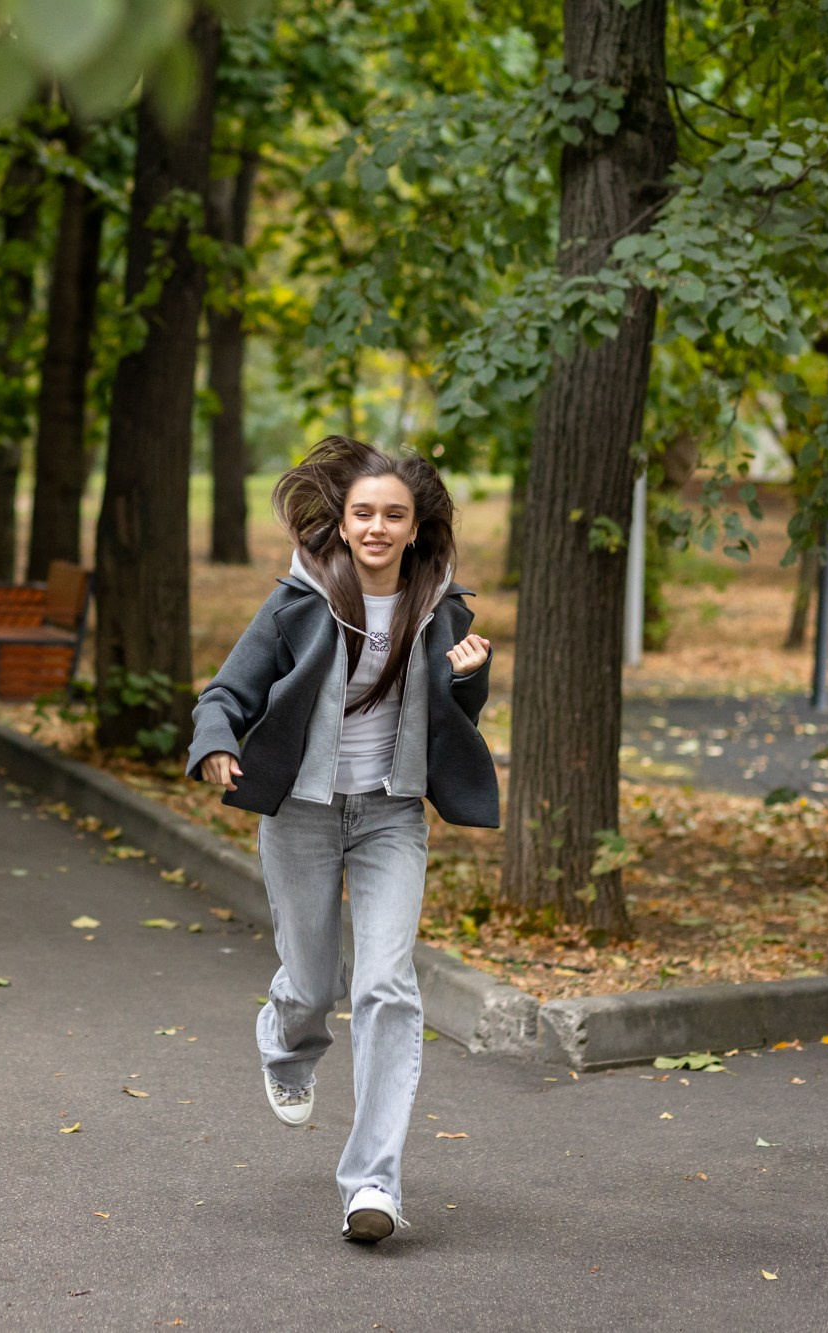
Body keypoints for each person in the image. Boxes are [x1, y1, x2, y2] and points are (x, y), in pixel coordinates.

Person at [187, 435, 498, 1244]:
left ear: (416, 527)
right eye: (363, 512)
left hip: (391, 814)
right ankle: (286, 1040)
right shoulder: (299, 598)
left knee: (388, 984)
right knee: (315, 981)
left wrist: (470, 676)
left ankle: (374, 1185)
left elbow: (454, 722)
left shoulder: (442, 607)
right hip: (301, 811)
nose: (377, 527)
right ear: (341, 518)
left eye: (394, 514)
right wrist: (217, 741)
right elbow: (227, 689)